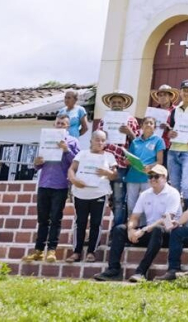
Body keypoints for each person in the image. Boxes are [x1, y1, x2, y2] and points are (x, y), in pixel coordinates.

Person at [22, 113, 79, 264]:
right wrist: (37, 162)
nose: (60, 125)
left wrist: (66, 150)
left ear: (68, 126)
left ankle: (52, 250)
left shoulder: (73, 142)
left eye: (63, 123)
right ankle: (38, 250)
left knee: (55, 218)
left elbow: (77, 163)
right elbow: (37, 165)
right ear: (54, 125)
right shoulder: (45, 139)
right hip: (44, 183)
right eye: (58, 123)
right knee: (42, 219)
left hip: (60, 184)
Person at [67, 130, 118, 263]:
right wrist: (73, 179)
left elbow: (114, 174)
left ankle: (91, 252)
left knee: (96, 223)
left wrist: (108, 172)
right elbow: (72, 169)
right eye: (97, 139)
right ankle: (76, 251)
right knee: (80, 222)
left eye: (103, 140)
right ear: (91, 141)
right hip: (80, 193)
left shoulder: (109, 156)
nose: (100, 142)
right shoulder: (82, 153)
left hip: (99, 193)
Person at [97, 92, 141, 229]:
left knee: (119, 199)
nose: (116, 105)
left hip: (121, 164)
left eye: (119, 102)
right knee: (104, 198)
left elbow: (138, 144)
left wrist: (129, 133)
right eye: (113, 102)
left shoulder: (131, 121)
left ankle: (117, 231)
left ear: (124, 104)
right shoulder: (104, 121)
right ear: (109, 104)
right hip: (104, 164)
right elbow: (97, 142)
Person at [125, 116, 166, 216]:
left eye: (151, 123)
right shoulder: (135, 142)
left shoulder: (158, 140)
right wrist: (128, 161)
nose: (148, 125)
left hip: (148, 177)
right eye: (146, 123)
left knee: (147, 206)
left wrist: (150, 166)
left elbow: (160, 161)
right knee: (131, 206)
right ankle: (132, 229)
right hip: (132, 177)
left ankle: (144, 230)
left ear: (155, 127)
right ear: (141, 126)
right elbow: (130, 158)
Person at [150, 84, 178, 151]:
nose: (162, 97)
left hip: (169, 146)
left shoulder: (177, 111)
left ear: (170, 97)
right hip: (153, 145)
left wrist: (169, 128)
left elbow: (180, 129)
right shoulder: (152, 112)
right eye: (160, 95)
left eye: (165, 95)